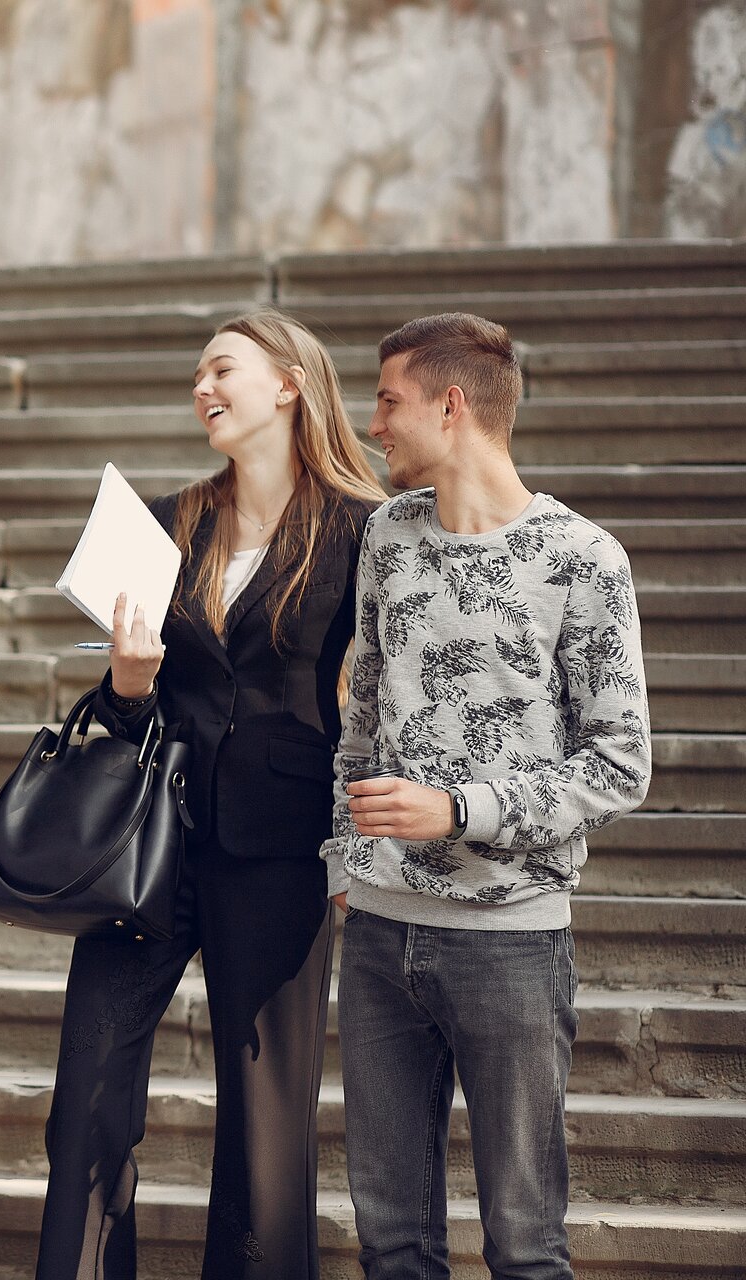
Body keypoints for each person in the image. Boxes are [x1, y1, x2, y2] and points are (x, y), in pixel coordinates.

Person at [36, 310, 387, 1280]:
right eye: (196, 373)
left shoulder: (366, 526)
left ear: (287, 384)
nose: (203, 387)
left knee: (266, 1129)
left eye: (221, 367)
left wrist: (361, 847)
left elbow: (388, 699)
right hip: (149, 842)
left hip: (282, 850)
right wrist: (131, 681)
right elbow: (117, 704)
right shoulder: (159, 520)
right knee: (87, 1098)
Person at [329, 313, 651, 1279]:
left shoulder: (584, 558)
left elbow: (619, 762)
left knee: (524, 1244)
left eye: (389, 401)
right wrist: (343, 860)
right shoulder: (388, 536)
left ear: (452, 405)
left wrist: (460, 809)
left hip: (512, 938)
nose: (373, 424)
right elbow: (361, 716)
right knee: (390, 1241)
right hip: (380, 936)